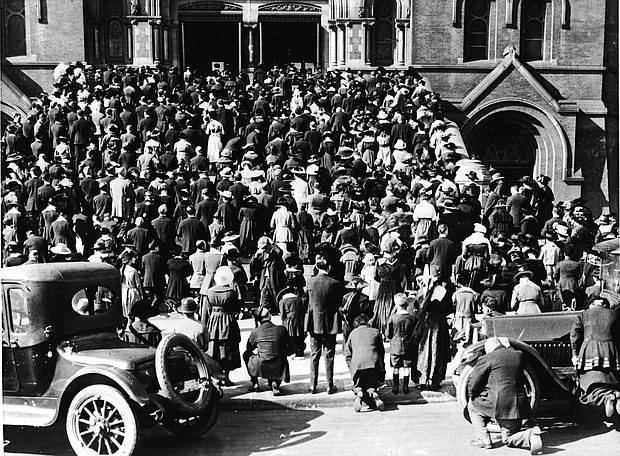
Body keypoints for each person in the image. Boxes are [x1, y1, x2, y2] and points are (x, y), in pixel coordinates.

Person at [467, 337, 543, 454]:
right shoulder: (519, 355)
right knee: (509, 438)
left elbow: (473, 384)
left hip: (499, 406)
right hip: (518, 406)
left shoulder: (486, 358)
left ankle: (484, 439)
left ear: (489, 348)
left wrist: (474, 395)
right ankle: (529, 436)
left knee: (472, 406)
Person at [570, 296, 620, 417]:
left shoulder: (584, 315)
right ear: (604, 304)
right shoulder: (614, 314)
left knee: (587, 385)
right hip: (610, 352)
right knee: (611, 380)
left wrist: (575, 354)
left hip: (590, 352)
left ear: (592, 305)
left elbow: (574, 336)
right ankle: (615, 394)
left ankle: (606, 397)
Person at [304, 254, 343, 394]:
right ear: (329, 267)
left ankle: (312, 385)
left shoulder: (310, 281)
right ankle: (329, 385)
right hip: (330, 323)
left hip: (314, 322)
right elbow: (339, 302)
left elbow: (305, 301)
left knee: (314, 354)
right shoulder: (334, 283)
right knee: (329, 355)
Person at [205, 266, 241, 386]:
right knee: (229, 348)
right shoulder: (231, 293)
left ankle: (217, 376)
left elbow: (207, 309)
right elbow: (236, 308)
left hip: (214, 321)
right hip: (228, 321)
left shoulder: (209, 291)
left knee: (214, 348)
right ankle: (226, 376)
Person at [244, 307, 293, 395]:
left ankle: (255, 383)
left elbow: (249, 348)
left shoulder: (256, 331)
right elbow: (291, 347)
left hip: (261, 365)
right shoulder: (281, 329)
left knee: (246, 354)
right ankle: (275, 382)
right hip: (278, 365)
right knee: (280, 355)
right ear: (270, 316)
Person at [345, 314, 386, 412]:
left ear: (357, 323)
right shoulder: (375, 332)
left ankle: (359, 392)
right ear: (368, 322)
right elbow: (381, 351)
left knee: (358, 384)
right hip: (374, 364)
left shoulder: (352, 333)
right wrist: (381, 368)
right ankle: (373, 392)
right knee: (372, 382)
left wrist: (352, 369)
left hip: (358, 366)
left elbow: (347, 354)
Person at [386, 293, 417, 394]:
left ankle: (395, 387)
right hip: (408, 346)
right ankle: (405, 386)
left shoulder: (392, 318)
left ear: (396, 304)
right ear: (406, 305)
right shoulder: (412, 318)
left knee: (396, 367)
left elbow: (388, 334)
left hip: (395, 346)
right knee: (406, 367)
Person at [278, 286, 307, 358]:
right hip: (300, 320)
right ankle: (300, 350)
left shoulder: (282, 301)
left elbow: (282, 315)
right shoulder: (300, 299)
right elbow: (304, 311)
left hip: (289, 321)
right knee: (300, 334)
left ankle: (294, 350)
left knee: (291, 336)